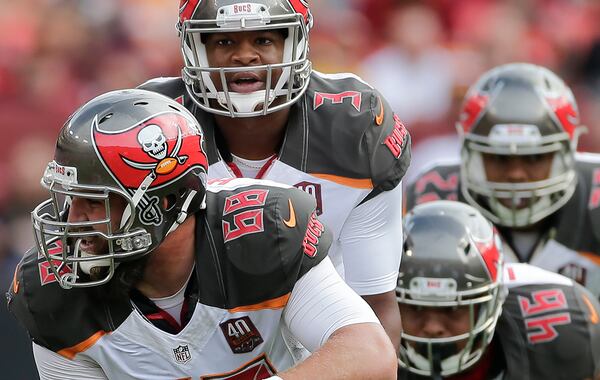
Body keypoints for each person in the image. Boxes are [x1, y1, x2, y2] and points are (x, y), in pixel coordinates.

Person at [6, 89, 398, 380]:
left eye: (94, 203)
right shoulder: (53, 292)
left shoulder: (261, 232)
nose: (73, 221)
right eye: (70, 200)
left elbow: (370, 353)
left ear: (166, 202)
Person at [139, 0, 411, 349]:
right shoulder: (154, 129)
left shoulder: (355, 129)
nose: (245, 56)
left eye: (264, 40)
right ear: (195, 48)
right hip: (186, 340)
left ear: (294, 42)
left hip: (318, 334)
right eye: (224, 42)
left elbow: (374, 306)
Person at [404, 63, 600, 297]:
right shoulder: (436, 196)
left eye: (534, 157)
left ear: (566, 154)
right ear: (470, 154)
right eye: (499, 157)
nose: (516, 173)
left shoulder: (594, 197)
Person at [396, 200, 600, 379]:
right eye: (417, 309)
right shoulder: (368, 340)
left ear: (492, 303)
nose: (432, 327)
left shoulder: (569, 325)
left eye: (450, 309)